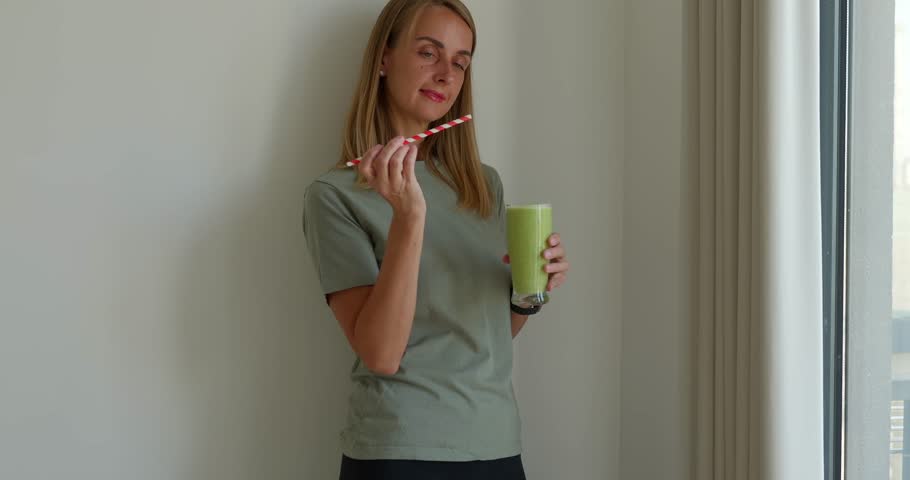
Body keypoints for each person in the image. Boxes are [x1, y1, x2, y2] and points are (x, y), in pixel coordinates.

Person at [301, 1, 570, 478]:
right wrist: (409, 218)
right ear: (384, 59)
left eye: (461, 62)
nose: (446, 74)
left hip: (497, 443)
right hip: (401, 449)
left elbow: (482, 335)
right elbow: (382, 354)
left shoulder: (483, 185)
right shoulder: (336, 195)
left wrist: (530, 293)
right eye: (429, 52)